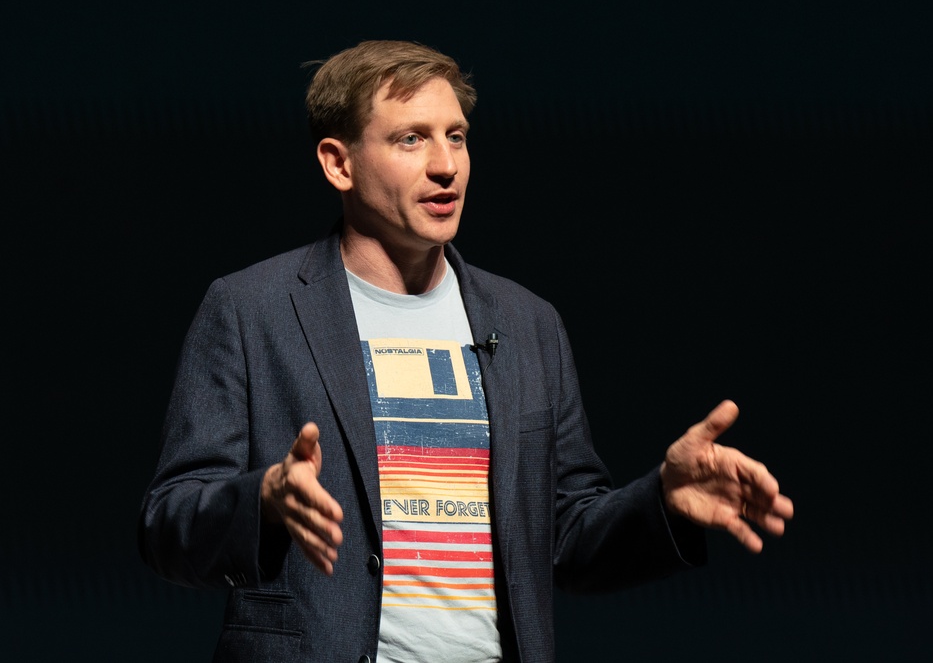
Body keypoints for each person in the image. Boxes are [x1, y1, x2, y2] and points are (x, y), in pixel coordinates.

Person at [138, 39, 794, 663]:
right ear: (338, 162)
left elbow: (563, 536)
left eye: (456, 136)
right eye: (410, 138)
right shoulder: (252, 309)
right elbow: (167, 528)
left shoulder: (528, 322)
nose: (446, 164)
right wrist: (264, 500)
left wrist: (663, 502)